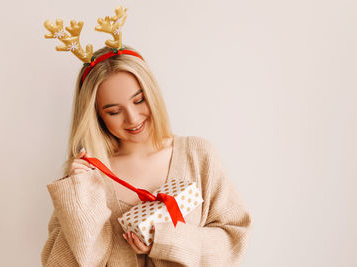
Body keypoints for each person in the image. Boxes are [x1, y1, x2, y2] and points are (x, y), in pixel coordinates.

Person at [41, 41, 251, 266]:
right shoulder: (88, 178)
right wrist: (78, 197)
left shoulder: (197, 155)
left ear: (152, 93)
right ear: (97, 116)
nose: (132, 118)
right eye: (113, 111)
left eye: (139, 100)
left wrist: (166, 240)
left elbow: (234, 239)